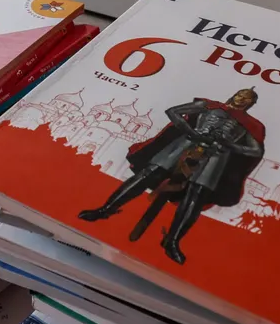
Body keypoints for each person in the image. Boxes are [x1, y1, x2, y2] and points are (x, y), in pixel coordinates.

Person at [78, 88, 265, 264]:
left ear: (250, 103)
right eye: (241, 95)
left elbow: (255, 150)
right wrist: (191, 131)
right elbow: (174, 112)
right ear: (235, 95)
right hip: (187, 143)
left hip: (216, 155)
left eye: (247, 98)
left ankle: (172, 241)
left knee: (197, 195)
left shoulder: (249, 125)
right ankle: (105, 210)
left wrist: (230, 145)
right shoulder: (207, 105)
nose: (242, 99)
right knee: (148, 174)